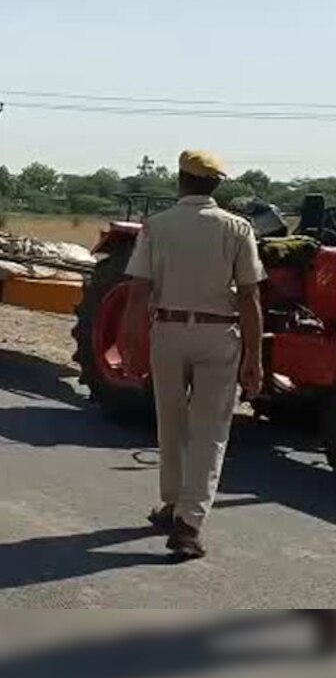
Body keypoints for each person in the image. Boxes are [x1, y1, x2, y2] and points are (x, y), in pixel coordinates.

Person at [120, 150, 265, 561]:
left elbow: (137, 293)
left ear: (180, 180)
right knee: (210, 432)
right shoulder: (238, 228)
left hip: (166, 331)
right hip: (219, 335)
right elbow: (251, 295)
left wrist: (130, 347)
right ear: (216, 185)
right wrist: (254, 356)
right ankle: (188, 523)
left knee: (171, 422)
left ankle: (173, 505)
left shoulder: (157, 226)